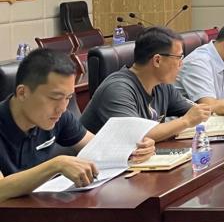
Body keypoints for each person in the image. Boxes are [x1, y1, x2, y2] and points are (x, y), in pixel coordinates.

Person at [0, 50, 154, 201]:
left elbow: (102, 149)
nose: (62, 108)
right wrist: (56, 165)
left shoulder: (59, 117)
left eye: (68, 98)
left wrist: (135, 150)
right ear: (22, 93)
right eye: (55, 98)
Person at [82, 27, 212, 141]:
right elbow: (136, 136)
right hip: (92, 160)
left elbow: (193, 111)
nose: (181, 64)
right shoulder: (117, 89)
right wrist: (186, 121)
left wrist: (204, 111)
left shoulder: (162, 85)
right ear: (157, 60)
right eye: (179, 58)